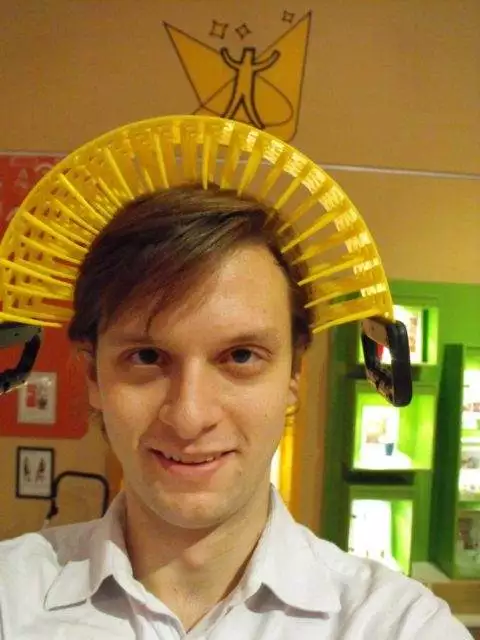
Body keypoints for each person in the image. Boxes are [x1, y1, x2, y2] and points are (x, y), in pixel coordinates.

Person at [0, 134, 473, 639]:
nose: (189, 416)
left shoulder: (396, 625)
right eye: (147, 357)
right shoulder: (11, 599)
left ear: (294, 376)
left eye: (241, 356)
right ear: (94, 375)